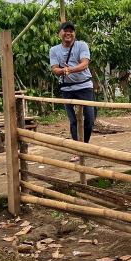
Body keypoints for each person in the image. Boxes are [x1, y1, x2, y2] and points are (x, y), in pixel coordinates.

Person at [50, 22, 95, 162]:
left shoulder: (82, 45)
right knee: (73, 120)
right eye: (65, 31)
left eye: (71, 31)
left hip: (84, 86)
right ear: (60, 34)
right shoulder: (54, 50)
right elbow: (55, 69)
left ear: (74, 33)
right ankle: (77, 149)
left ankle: (84, 146)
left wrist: (70, 69)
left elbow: (84, 64)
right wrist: (63, 71)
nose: (68, 33)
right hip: (67, 88)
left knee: (90, 118)